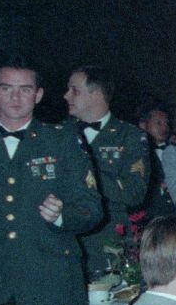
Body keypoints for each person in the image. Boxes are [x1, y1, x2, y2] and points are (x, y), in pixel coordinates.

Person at [0, 58, 102, 305]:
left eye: (25, 89)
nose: (15, 97)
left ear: (38, 95)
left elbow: (93, 209)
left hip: (52, 285)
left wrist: (62, 215)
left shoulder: (63, 141)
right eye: (7, 88)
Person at [64, 65, 153, 278]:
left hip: (107, 243)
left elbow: (134, 193)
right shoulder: (59, 135)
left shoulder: (129, 136)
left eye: (74, 90)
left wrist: (86, 171)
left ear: (95, 95)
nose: (66, 96)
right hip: (65, 243)